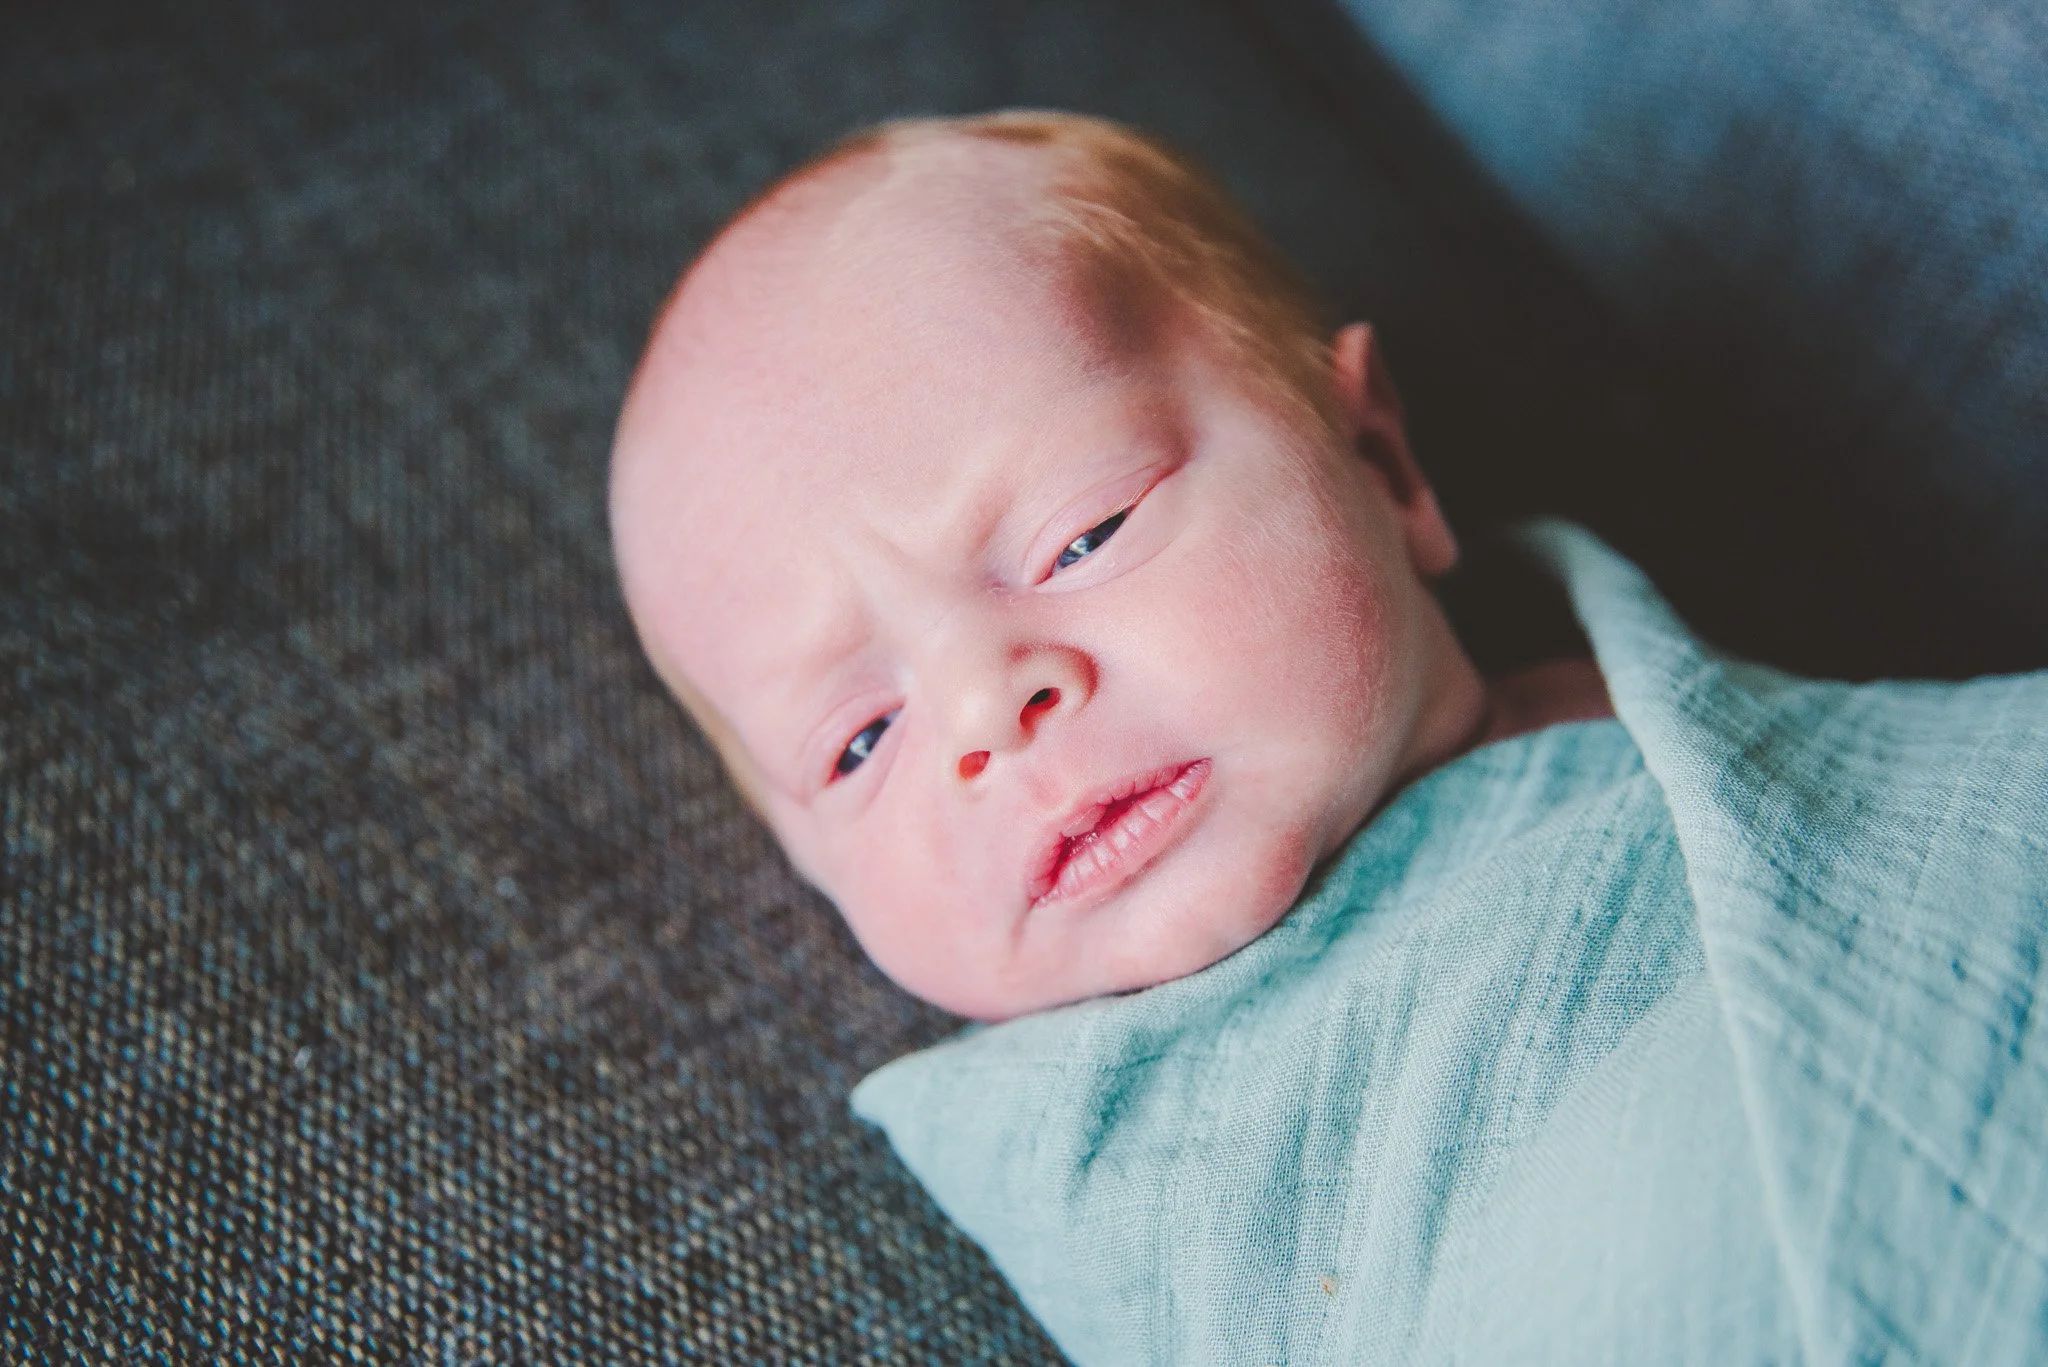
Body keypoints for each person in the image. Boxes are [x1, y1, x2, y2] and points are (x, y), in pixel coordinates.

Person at [608, 110, 1613, 1022]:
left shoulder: (1649, 711)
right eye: (857, 742)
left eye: (1085, 534)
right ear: (806, 865)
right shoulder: (1046, 1127)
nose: (985, 709)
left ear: (1380, 465)